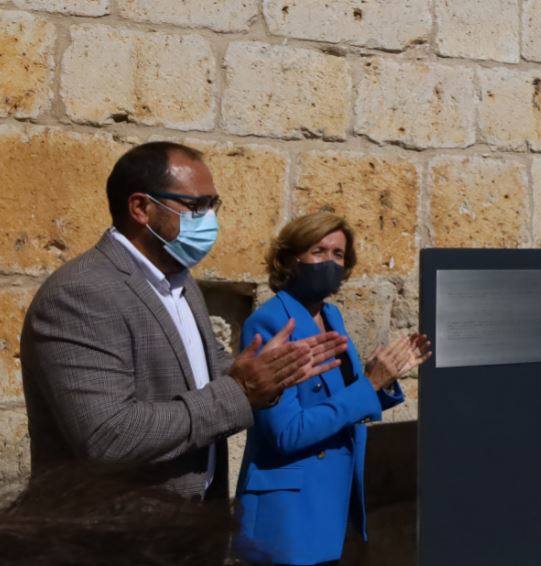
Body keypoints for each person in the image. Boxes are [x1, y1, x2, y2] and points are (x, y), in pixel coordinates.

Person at [19, 142, 346, 559]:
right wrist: (242, 391)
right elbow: (108, 437)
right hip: (114, 544)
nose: (209, 219)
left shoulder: (178, 281)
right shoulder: (83, 294)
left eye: (214, 205)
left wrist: (273, 374)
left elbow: (202, 371)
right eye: (197, 206)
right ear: (142, 208)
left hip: (188, 535)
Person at [233, 211, 430, 566]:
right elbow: (287, 432)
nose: (330, 262)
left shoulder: (331, 315)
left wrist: (382, 380)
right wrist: (369, 385)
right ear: (291, 258)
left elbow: (343, 400)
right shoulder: (269, 321)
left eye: (338, 255)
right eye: (318, 251)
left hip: (334, 500)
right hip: (289, 513)